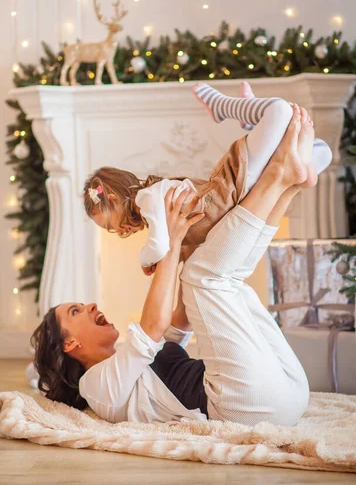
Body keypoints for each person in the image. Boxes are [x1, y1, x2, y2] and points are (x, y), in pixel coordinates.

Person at [32, 105, 312, 427]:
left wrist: (182, 244)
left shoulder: (132, 357)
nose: (90, 305)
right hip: (244, 406)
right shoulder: (95, 385)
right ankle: (277, 177)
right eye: (76, 311)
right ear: (70, 344)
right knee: (205, 277)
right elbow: (152, 327)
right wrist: (172, 241)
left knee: (218, 273)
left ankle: (289, 187)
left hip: (283, 394)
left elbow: (181, 318)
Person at [82, 82, 331, 274]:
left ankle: (223, 108)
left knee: (294, 124)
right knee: (292, 125)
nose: (115, 230)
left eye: (108, 225)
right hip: (236, 200)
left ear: (113, 197)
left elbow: (158, 247)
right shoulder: (154, 211)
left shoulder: (148, 198)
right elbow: (171, 245)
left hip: (232, 189)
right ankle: (278, 147)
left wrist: (143, 260)